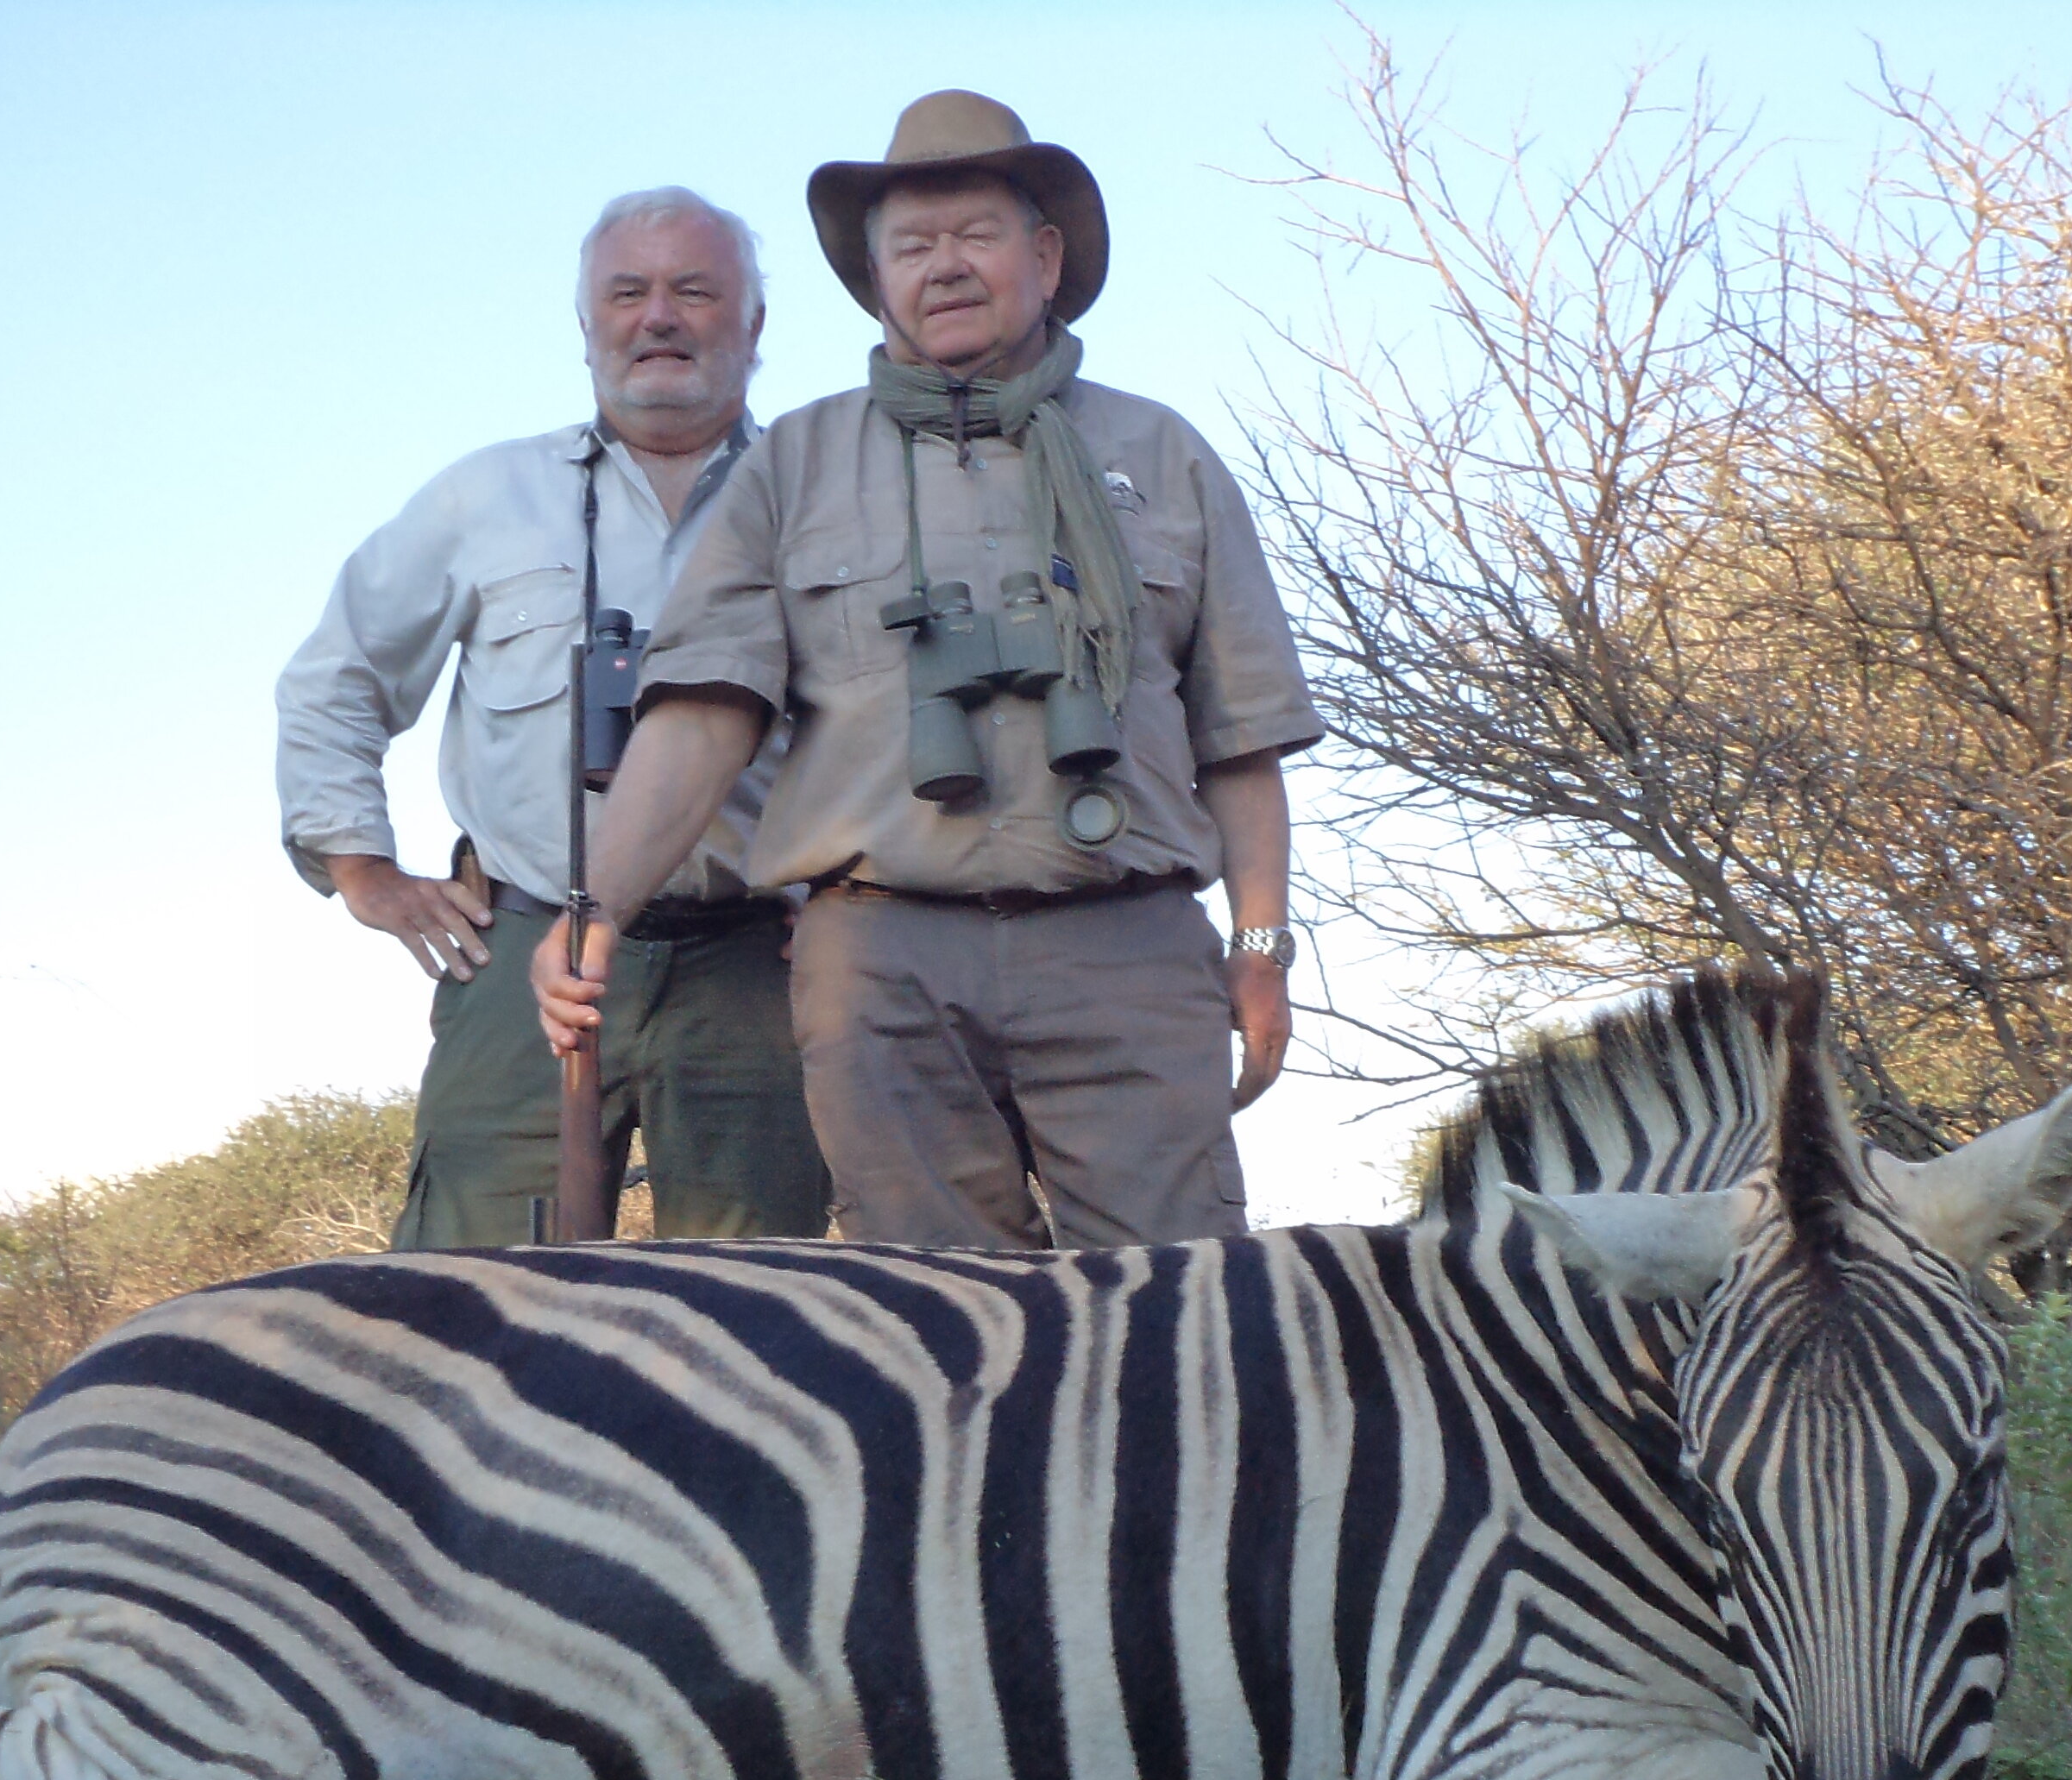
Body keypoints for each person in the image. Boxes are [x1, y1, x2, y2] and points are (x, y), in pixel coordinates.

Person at [531, 92, 1322, 1249]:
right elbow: (701, 717)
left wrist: (1259, 947)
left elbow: (1241, 740)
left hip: (1130, 947)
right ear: (875, 276)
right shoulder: (791, 463)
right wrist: (594, 909)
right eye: (911, 244)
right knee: (935, 1343)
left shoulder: (1165, 453)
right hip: (881, 968)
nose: (944, 265)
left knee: (1184, 1320)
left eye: (976, 234)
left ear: (1045, 259)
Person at [277, 188, 829, 1245]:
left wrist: (852, 888)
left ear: (754, 324)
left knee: (756, 1322)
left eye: (695, 290)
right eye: (627, 292)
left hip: (758, 967)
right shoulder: (486, 495)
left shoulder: (822, 495)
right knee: (471, 1310)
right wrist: (362, 870)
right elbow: (336, 674)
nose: (658, 317)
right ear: (587, 324)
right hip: (524, 945)